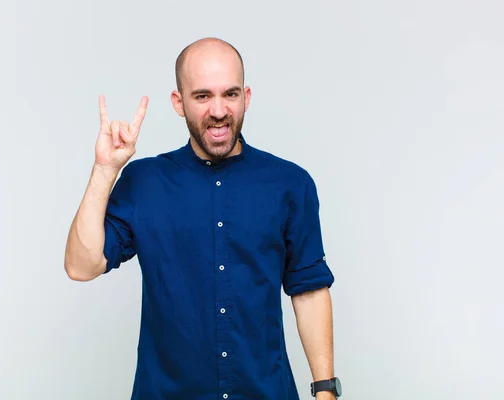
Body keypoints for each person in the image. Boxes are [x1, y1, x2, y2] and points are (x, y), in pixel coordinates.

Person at [64, 37, 342, 400]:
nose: (219, 110)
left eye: (230, 94)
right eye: (202, 96)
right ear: (179, 103)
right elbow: (81, 266)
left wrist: (325, 391)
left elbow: (309, 290)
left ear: (247, 96)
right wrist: (104, 170)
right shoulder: (144, 182)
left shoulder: (290, 184)